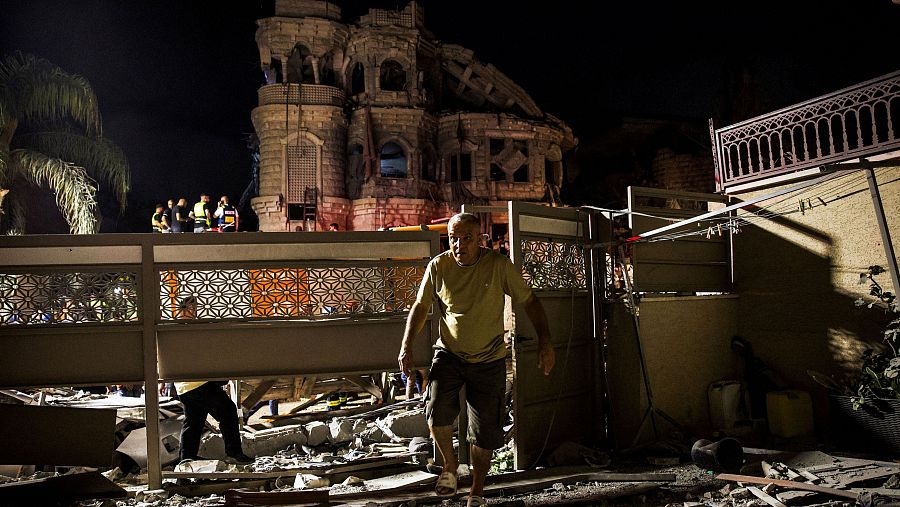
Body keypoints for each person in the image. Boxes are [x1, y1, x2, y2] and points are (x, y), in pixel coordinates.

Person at [398, 213, 555, 507]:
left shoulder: (497, 265)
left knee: (484, 433)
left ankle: (476, 492)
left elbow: (530, 301)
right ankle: (449, 465)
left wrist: (545, 340)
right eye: (453, 238)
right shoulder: (439, 267)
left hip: (489, 359)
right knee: (436, 410)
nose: (459, 245)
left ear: (480, 239)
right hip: (449, 354)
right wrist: (406, 345)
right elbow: (420, 306)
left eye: (466, 238)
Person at [173, 297, 253, 464]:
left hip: (184, 386)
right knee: (228, 410)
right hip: (197, 382)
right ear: (184, 309)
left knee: (194, 421)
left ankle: (186, 457)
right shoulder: (185, 329)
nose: (194, 311)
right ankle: (233, 453)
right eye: (192, 308)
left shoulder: (175, 329)